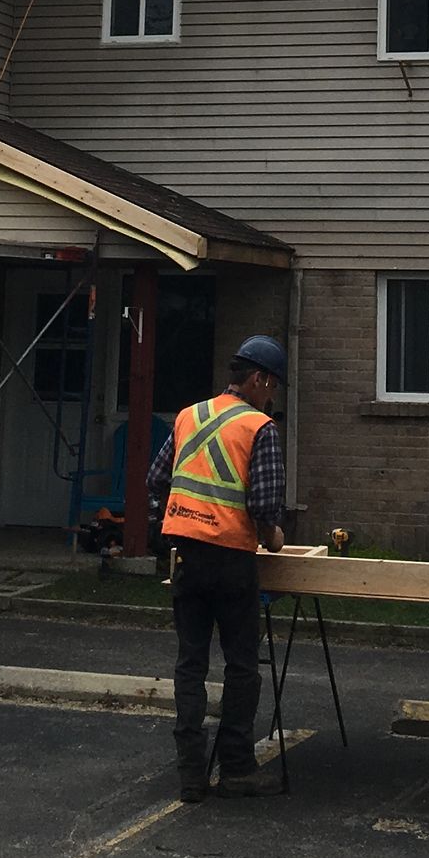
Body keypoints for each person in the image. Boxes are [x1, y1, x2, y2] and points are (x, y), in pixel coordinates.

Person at [147, 334, 288, 802]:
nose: (273, 398)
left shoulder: (191, 415)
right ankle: (236, 770)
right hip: (231, 560)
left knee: (190, 665)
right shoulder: (258, 426)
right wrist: (274, 537)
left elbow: (157, 479)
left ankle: (191, 775)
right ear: (259, 378)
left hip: (186, 557)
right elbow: (265, 505)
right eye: (273, 387)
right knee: (242, 665)